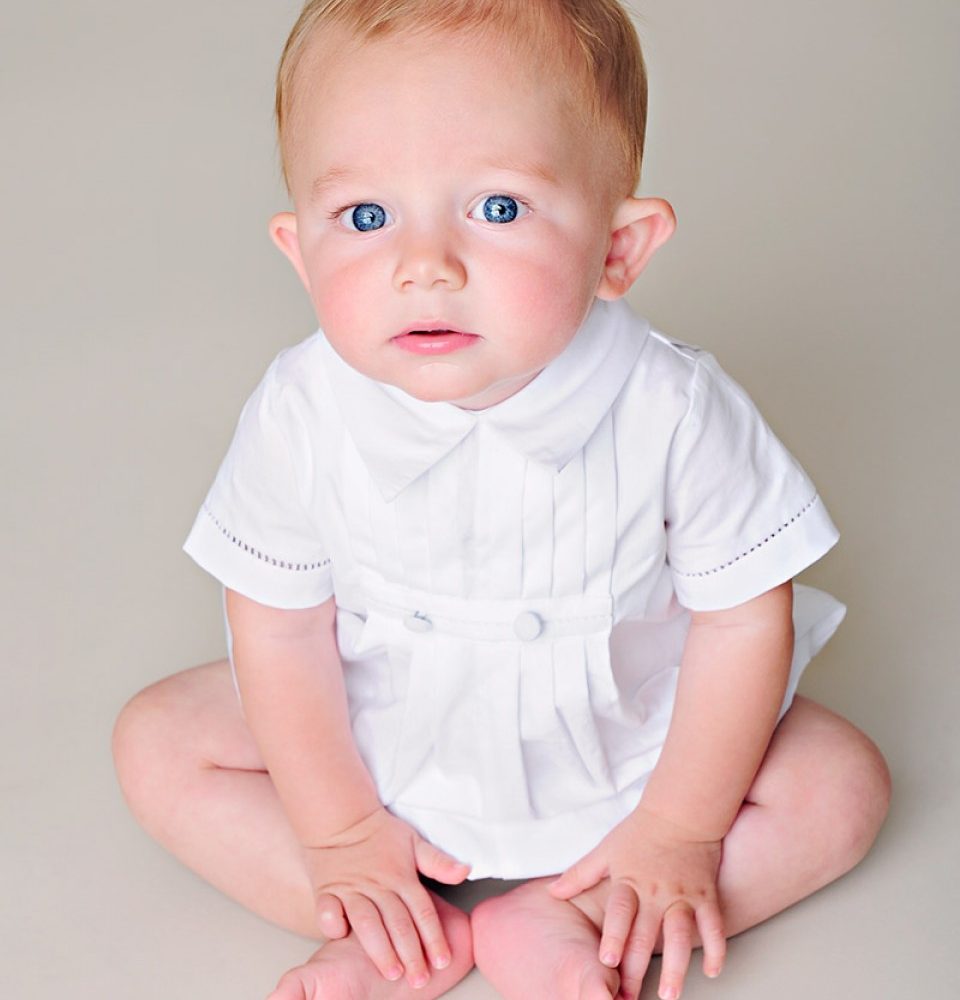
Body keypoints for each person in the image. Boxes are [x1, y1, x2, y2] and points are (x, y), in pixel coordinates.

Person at [112, 2, 891, 998]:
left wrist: (680, 827)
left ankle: (579, 912)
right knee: (158, 747)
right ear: (300, 251)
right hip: (375, 737)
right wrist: (339, 831)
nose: (424, 266)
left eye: (497, 208)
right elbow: (279, 627)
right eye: (366, 217)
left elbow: (743, 619)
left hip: (633, 739)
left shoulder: (674, 406)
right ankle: (390, 932)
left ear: (618, 248)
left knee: (841, 786)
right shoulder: (301, 409)